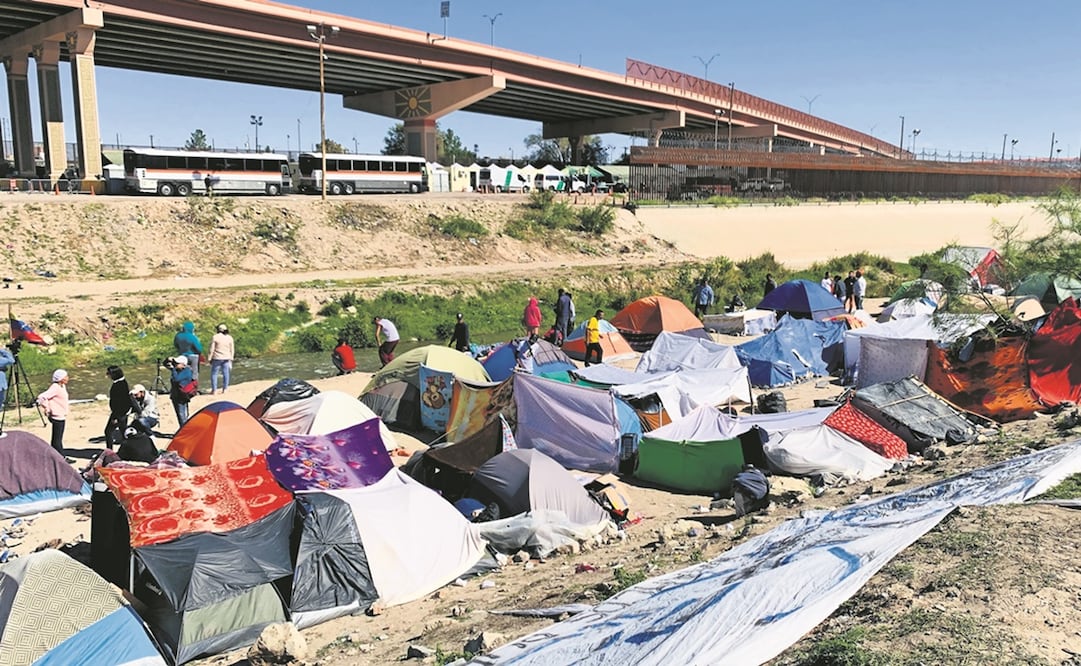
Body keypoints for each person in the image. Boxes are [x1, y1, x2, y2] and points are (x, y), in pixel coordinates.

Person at [36, 369, 70, 460]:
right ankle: (61, 458)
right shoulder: (55, 388)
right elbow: (42, 397)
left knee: (57, 438)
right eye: (65, 376)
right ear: (60, 379)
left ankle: (56, 456)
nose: (67, 378)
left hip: (60, 414)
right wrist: (47, 408)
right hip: (57, 416)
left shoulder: (62, 386)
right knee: (57, 439)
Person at [104, 365, 131, 449]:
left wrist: (115, 417)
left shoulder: (118, 385)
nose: (108, 375)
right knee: (123, 432)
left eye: (109, 373)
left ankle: (109, 450)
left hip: (118, 413)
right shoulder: (122, 383)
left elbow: (119, 402)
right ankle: (127, 449)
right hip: (123, 412)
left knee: (108, 432)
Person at [168, 355, 195, 427]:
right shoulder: (179, 370)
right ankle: (184, 429)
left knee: (182, 415)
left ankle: (184, 430)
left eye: (177, 363)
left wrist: (173, 369)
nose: (175, 364)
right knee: (181, 415)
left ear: (183, 364)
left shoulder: (187, 371)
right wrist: (169, 359)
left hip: (181, 396)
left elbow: (176, 379)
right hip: (176, 395)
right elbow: (165, 364)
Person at [208, 323, 235, 394]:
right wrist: (231, 358)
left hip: (217, 358)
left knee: (214, 374)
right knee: (226, 373)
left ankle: (214, 390)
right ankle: (225, 389)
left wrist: (209, 358)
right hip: (226, 358)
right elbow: (232, 349)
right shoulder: (229, 337)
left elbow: (212, 349)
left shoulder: (215, 337)